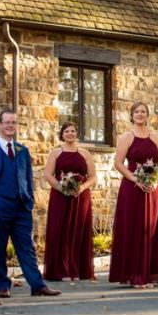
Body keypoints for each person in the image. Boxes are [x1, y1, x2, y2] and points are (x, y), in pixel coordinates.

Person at [0, 107, 54, 301]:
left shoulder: (22, 150)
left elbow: (28, 177)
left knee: (27, 247)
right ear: (0, 124)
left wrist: (30, 200)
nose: (10, 126)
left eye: (13, 122)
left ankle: (37, 285)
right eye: (7, 122)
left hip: (21, 207)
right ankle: (3, 285)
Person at [108, 98, 158, 284]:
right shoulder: (126, 137)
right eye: (137, 112)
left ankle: (149, 273)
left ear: (147, 116)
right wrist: (136, 179)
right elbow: (118, 163)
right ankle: (133, 275)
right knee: (133, 229)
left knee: (150, 229)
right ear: (131, 116)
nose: (140, 114)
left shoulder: (154, 136)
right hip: (132, 188)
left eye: (143, 111)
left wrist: (155, 180)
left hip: (152, 188)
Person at [42, 116, 95, 281]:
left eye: (73, 131)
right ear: (62, 134)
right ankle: (61, 270)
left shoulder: (85, 153)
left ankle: (78, 270)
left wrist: (81, 188)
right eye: (67, 131)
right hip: (60, 197)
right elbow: (48, 175)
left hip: (81, 197)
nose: (70, 133)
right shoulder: (56, 152)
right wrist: (62, 188)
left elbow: (93, 177)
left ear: (76, 134)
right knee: (61, 230)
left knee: (79, 230)